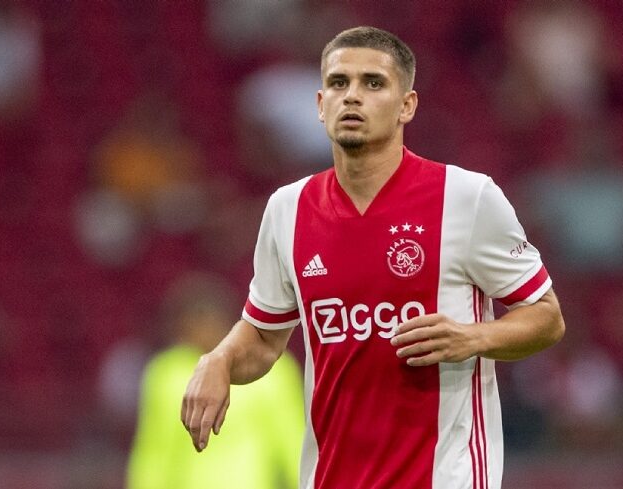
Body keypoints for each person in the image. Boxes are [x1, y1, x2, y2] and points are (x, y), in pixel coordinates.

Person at [182, 26, 565, 489]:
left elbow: (547, 317)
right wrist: (219, 359)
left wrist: (473, 337)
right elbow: (264, 338)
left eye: (373, 83)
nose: (352, 96)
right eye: (339, 83)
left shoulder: (466, 197)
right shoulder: (288, 209)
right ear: (320, 104)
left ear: (407, 106)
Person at [129, 272, 303, 489]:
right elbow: (155, 454)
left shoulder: (268, 367)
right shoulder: (168, 375)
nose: (204, 330)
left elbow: (293, 443)